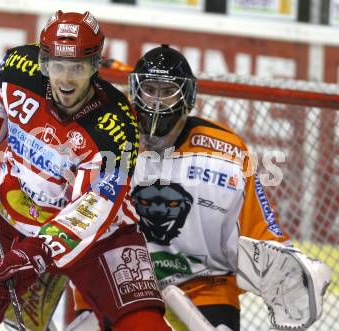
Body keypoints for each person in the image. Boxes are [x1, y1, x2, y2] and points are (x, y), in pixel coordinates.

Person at [0, 11, 171, 331]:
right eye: (58, 66)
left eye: (78, 68)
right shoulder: (13, 70)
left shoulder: (116, 126)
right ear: (43, 62)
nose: (66, 79)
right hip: (13, 217)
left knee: (143, 324)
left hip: (100, 237)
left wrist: (39, 250)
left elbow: (93, 207)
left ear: (95, 66)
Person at [69, 45, 331, 331]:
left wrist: (290, 271)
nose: (157, 102)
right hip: (115, 285)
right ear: (135, 91)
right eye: (150, 90)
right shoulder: (105, 137)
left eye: (166, 91)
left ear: (187, 96)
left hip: (205, 285)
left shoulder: (227, 151)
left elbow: (261, 231)